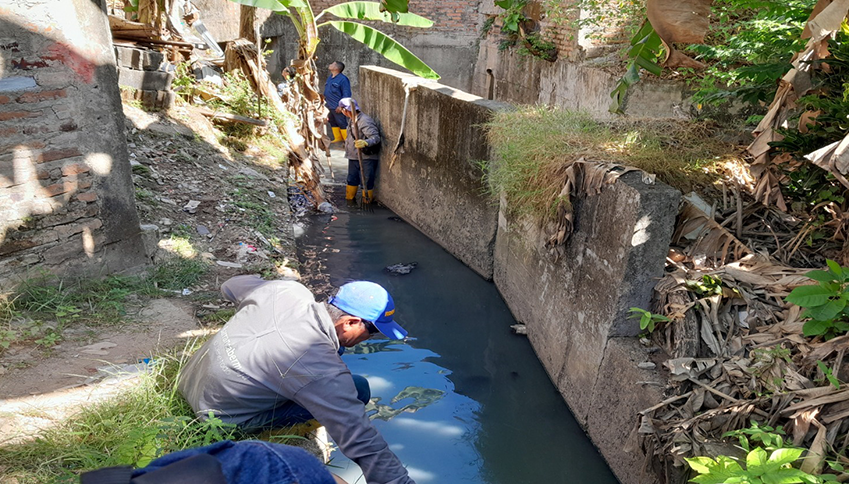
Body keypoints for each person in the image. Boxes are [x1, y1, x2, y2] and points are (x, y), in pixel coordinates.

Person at [178, 275, 416, 484]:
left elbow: (231, 285)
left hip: (190, 380)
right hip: (220, 417)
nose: (371, 339)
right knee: (358, 389)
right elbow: (362, 440)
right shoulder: (317, 366)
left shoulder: (288, 291)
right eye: (372, 331)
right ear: (350, 322)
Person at [338, 97, 381, 204]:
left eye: (342, 110)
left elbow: (375, 138)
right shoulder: (351, 120)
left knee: (366, 182)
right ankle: (350, 202)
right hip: (353, 157)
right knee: (351, 180)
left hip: (365, 158)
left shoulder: (364, 121)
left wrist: (365, 142)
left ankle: (366, 204)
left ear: (344, 110)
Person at [323, 61, 351, 143]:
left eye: (332, 64)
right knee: (332, 121)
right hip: (329, 105)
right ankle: (338, 138)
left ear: (336, 68)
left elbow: (347, 93)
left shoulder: (343, 79)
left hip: (337, 106)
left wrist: (342, 106)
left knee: (341, 123)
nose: (330, 64)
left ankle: (347, 141)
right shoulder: (330, 77)